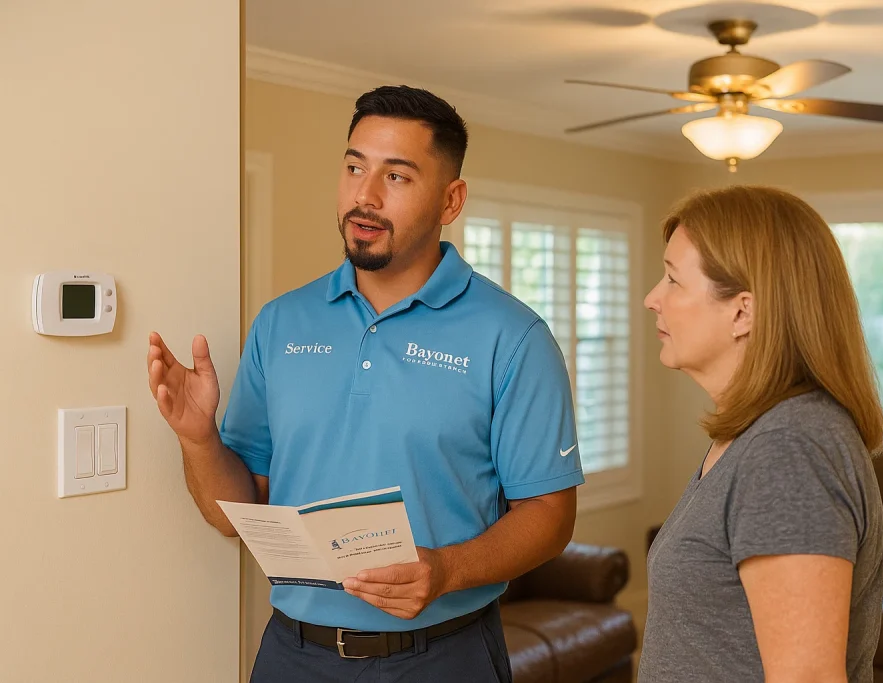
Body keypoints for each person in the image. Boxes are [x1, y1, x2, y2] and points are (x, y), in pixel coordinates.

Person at [146, 85, 584, 682]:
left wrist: (447, 571)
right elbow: (235, 515)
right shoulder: (281, 322)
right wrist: (198, 438)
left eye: (397, 177)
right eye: (355, 167)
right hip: (291, 655)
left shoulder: (512, 337)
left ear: (451, 199)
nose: (365, 196)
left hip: (444, 656)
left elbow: (551, 514)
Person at [639, 185, 883, 683]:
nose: (652, 299)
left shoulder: (790, 450)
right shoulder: (753, 435)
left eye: (672, 280)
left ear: (743, 312)